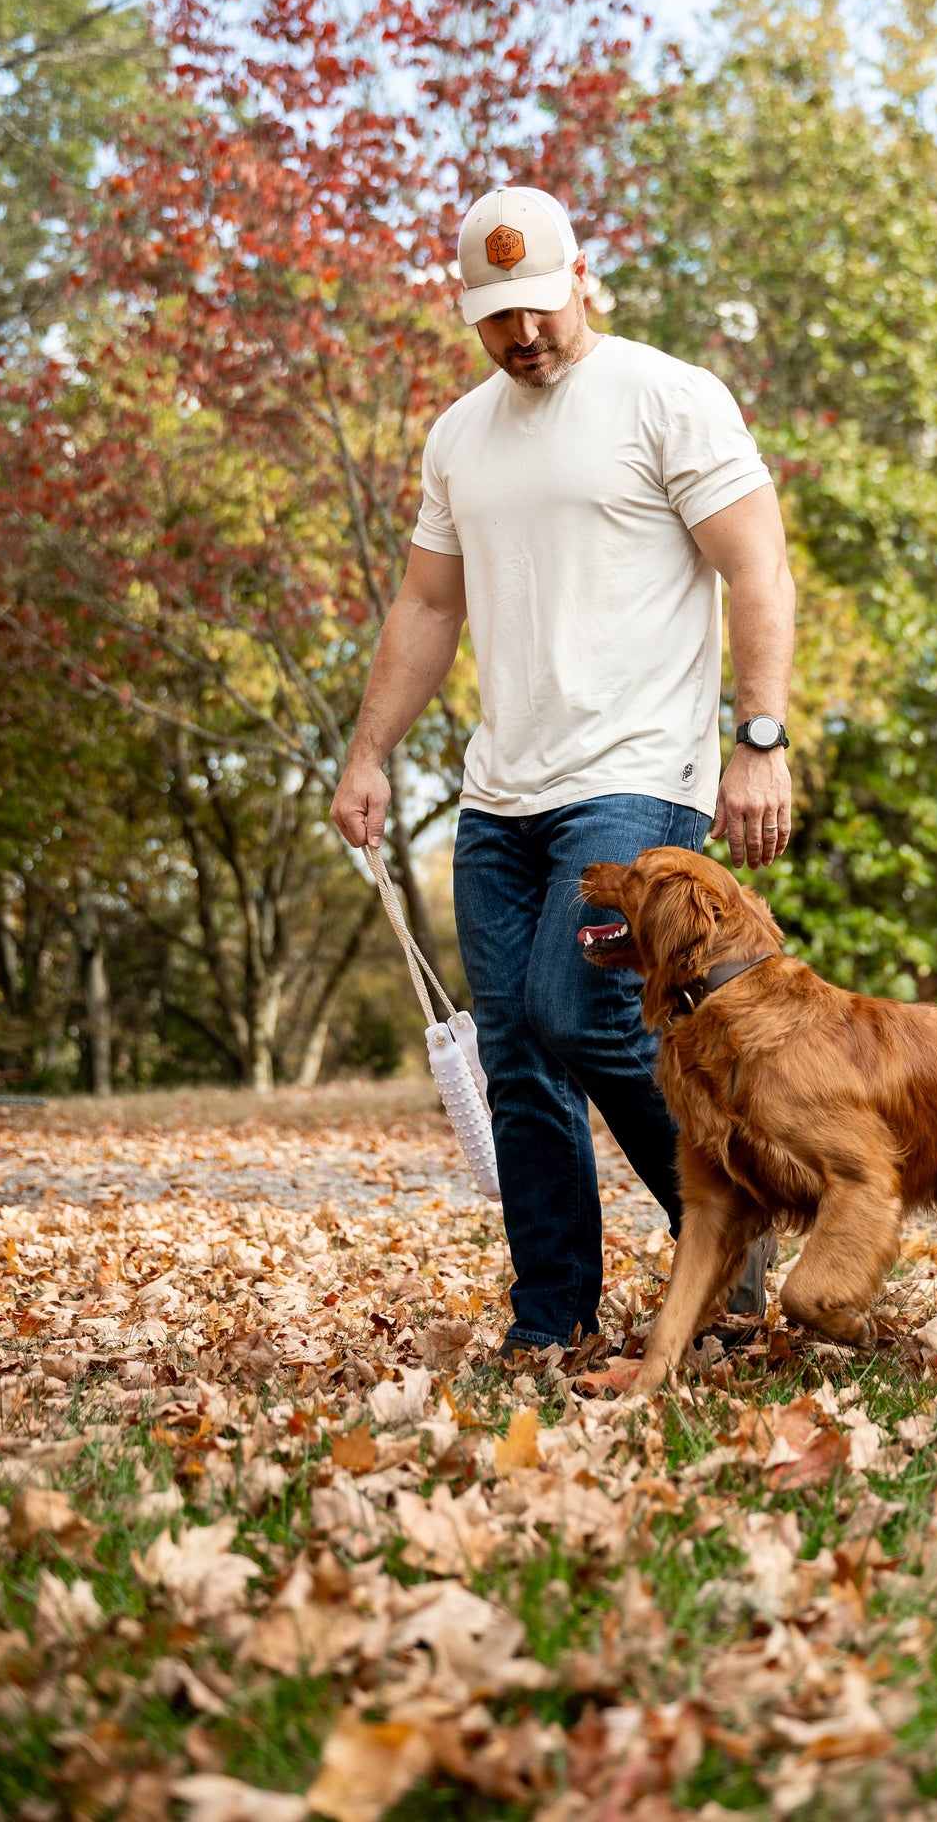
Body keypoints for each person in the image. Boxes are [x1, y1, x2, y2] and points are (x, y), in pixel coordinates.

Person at [330, 185, 796, 1355]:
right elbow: (428, 603)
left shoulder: (667, 398)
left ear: (581, 277)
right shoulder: (458, 436)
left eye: (539, 306)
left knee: (574, 1007)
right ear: (468, 312)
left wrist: (759, 737)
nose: (524, 334)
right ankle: (552, 1321)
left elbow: (758, 571)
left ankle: (731, 1226)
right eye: (497, 318)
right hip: (501, 797)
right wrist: (368, 749)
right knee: (517, 1056)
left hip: (638, 777)